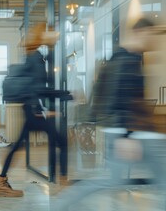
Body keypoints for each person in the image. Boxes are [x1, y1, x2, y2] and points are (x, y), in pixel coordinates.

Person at [54, 18, 166, 210]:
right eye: (152, 34)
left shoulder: (127, 58)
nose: (154, 40)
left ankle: (62, 203)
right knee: (113, 181)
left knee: (144, 179)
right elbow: (118, 98)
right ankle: (61, 203)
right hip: (129, 132)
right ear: (142, 32)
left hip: (134, 132)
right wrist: (127, 136)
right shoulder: (125, 60)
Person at [0, 23, 61, 197]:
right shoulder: (36, 57)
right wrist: (42, 110)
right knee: (60, 140)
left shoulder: (34, 55)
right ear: (42, 36)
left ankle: (1, 182)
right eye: (50, 32)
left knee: (18, 146)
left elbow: (38, 84)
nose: (54, 34)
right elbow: (37, 87)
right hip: (33, 109)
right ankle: (62, 181)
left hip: (30, 108)